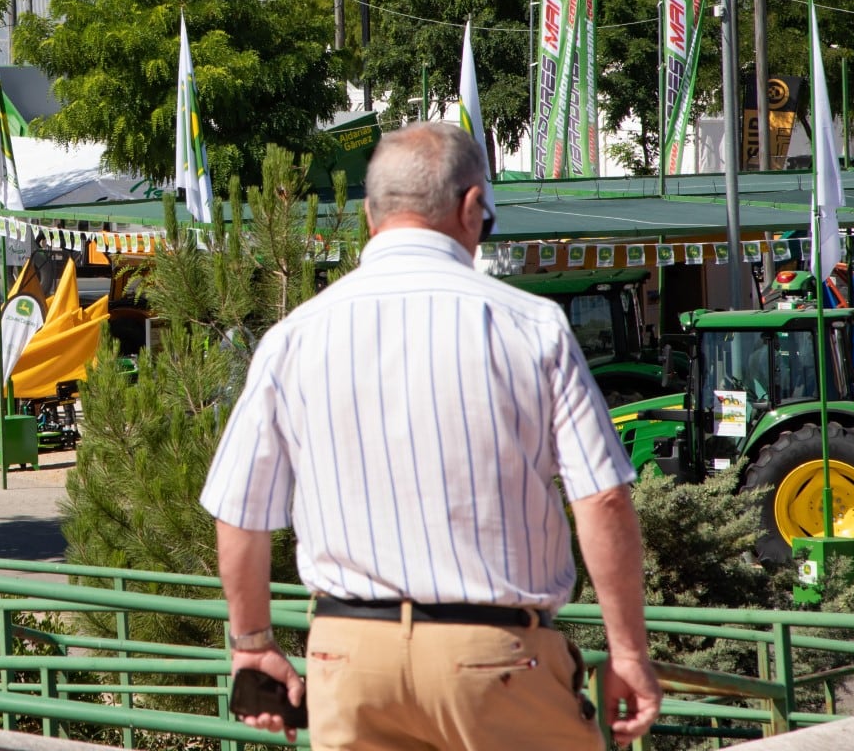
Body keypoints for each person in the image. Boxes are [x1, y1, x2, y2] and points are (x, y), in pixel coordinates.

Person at [200, 122, 659, 750]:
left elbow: (239, 512)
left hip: (347, 660)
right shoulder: (533, 327)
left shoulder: (293, 338)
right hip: (496, 658)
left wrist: (252, 644)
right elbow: (602, 499)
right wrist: (628, 653)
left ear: (369, 215)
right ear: (473, 208)